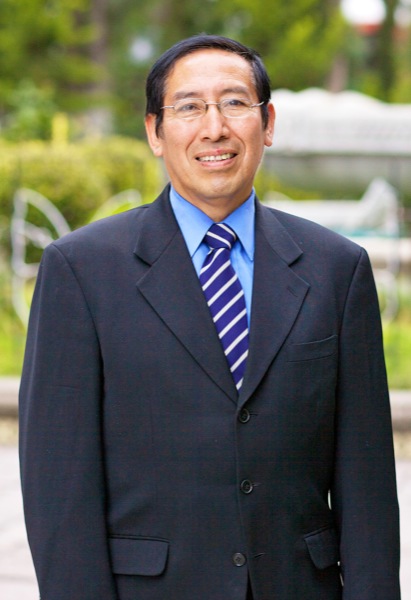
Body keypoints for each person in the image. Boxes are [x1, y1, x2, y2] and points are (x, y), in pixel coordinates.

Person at [19, 35, 400, 600]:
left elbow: (367, 485)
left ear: (267, 124)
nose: (214, 128)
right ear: (155, 132)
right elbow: (58, 486)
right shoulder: (81, 270)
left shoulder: (337, 270)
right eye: (189, 107)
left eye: (235, 103)